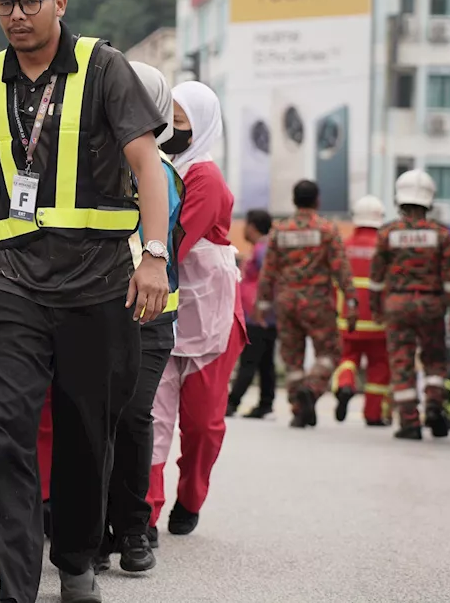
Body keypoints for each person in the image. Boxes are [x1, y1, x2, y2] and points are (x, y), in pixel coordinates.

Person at [0, 0, 170, 603]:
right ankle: (15, 586)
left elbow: (147, 164)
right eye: (4, 4)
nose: (15, 15)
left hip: (97, 287)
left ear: (59, 3)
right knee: (8, 430)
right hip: (13, 284)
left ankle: (75, 560)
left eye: (29, 2)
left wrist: (152, 254)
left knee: (83, 434)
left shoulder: (106, 70)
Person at [35, 60, 185, 575]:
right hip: (91, 311)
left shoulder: (159, 172)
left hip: (149, 318)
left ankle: (133, 528)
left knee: (132, 418)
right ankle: (91, 533)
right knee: (91, 421)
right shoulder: (87, 164)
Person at [146, 81, 244, 539]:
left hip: (208, 319)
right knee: (154, 416)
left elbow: (174, 243)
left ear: (201, 128)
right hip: (161, 309)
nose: (171, 132)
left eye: (181, 125)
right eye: (168, 121)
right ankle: (143, 513)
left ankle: (191, 496)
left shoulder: (204, 177)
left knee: (202, 424)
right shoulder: (157, 167)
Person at [369, 170, 450, 441]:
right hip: (431, 304)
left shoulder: (387, 233)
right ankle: (434, 404)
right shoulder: (441, 235)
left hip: (397, 303)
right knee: (434, 358)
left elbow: (375, 278)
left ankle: (409, 422)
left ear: (399, 199)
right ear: (429, 200)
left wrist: (376, 308)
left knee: (401, 362)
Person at [257, 180, 356, 428]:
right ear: (317, 200)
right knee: (330, 352)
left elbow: (268, 270)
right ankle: (311, 389)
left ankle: (298, 408)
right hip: (317, 302)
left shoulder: (280, 230)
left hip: (287, 301)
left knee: (292, 359)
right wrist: (351, 300)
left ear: (294, 200)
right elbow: (340, 269)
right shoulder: (326, 230)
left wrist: (262, 302)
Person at [331, 195, 392, 427]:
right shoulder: (385, 247)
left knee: (347, 358)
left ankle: (346, 385)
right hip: (379, 322)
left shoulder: (344, 246)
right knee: (379, 366)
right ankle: (374, 415)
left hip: (349, 320)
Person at [228, 209, 277, 419]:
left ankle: (231, 403)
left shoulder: (263, 250)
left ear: (253, 226)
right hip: (261, 315)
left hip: (259, 316)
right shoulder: (261, 248)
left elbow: (269, 280)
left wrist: (261, 309)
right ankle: (266, 403)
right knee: (265, 362)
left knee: (249, 360)